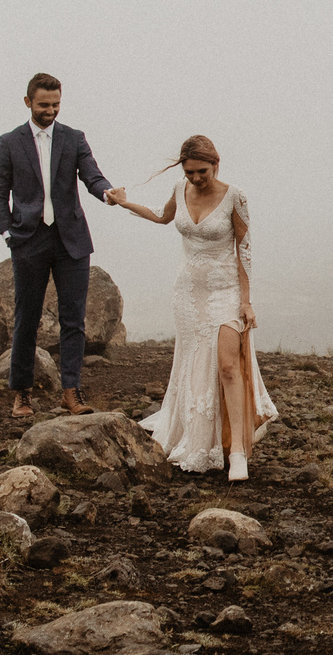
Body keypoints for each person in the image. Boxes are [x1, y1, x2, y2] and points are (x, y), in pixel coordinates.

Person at [107, 134, 276, 478]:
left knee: (228, 365)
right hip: (188, 292)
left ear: (216, 164)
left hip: (225, 291)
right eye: (189, 172)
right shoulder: (179, 190)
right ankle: (198, 436)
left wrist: (246, 302)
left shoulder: (235, 196)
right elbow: (160, 216)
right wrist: (125, 203)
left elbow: (244, 249)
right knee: (194, 364)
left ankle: (239, 452)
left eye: (202, 171)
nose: (196, 178)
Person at [0, 73, 119, 419]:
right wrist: (7, 233)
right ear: (28, 102)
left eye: (56, 104)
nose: (51, 110)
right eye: (44, 104)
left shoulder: (73, 138)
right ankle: (22, 395)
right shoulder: (9, 142)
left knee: (73, 320)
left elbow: (92, 175)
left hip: (71, 240)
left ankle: (71, 392)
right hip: (27, 240)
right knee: (26, 319)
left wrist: (107, 192)